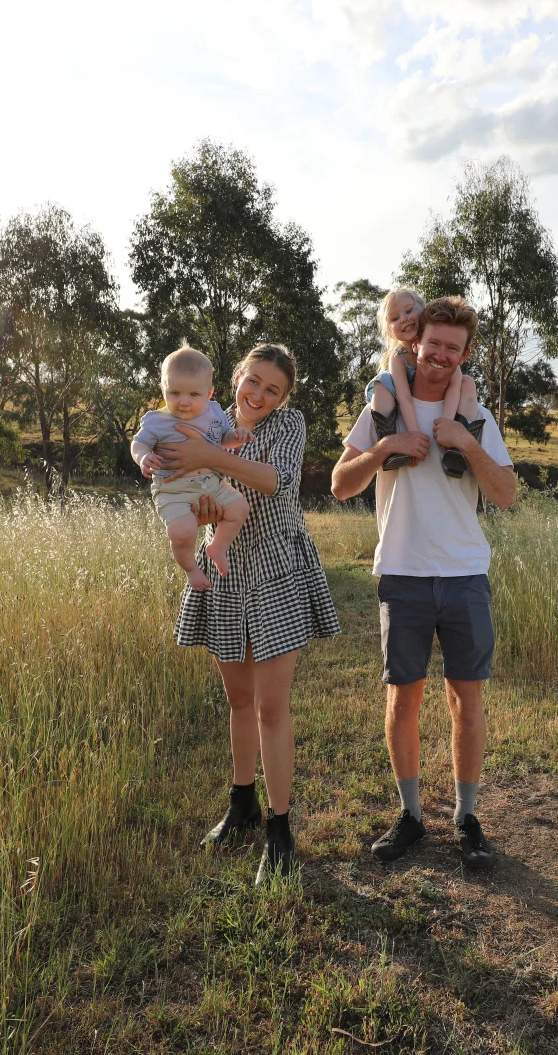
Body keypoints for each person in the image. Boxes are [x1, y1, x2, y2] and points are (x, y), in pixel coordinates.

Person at [330, 296, 517, 870]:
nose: (439, 354)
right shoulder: (383, 406)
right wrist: (385, 448)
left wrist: (463, 443)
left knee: (467, 700)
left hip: (464, 573)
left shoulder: (476, 415)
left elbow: (506, 494)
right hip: (404, 571)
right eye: (432, 343)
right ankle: (411, 816)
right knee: (403, 697)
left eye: (452, 348)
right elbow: (341, 485)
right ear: (417, 342)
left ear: (464, 354)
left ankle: (467, 818)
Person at [152, 343, 341, 886]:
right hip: (225, 566)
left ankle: (280, 830)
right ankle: (243, 805)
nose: (258, 394)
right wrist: (196, 502)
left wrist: (208, 460)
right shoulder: (203, 418)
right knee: (238, 698)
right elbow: (176, 481)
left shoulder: (287, 425)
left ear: (284, 397)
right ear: (234, 378)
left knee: (272, 707)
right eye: (252, 381)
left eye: (272, 389)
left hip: (277, 566)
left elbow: (271, 480)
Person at [131, 344, 254, 590]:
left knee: (240, 508)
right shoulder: (157, 420)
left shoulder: (215, 412)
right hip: (172, 489)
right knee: (182, 532)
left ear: (209, 394)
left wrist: (237, 436)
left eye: (193, 395)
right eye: (175, 393)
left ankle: (217, 546)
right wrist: (143, 457)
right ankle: (191, 570)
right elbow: (138, 443)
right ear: (162, 390)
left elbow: (224, 438)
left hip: (211, 484)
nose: (184, 402)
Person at [366, 287, 484, 477]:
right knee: (382, 383)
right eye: (394, 318)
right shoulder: (397, 358)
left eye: (408, 310)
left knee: (467, 382)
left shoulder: (444, 355)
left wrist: (446, 424)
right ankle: (390, 444)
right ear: (389, 330)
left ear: (423, 312)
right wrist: (413, 437)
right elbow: (404, 396)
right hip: (402, 398)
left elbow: (454, 386)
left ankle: (459, 447)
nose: (403, 319)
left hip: (441, 401)